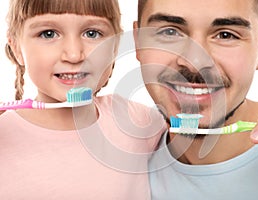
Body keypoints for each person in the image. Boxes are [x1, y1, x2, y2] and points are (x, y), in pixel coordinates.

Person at [134, 0, 258, 199]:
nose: (195, 63)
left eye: (225, 35)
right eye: (169, 32)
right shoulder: (122, 164)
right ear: (137, 43)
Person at [0, 0, 165, 199]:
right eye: (48, 34)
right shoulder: (4, 135)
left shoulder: (140, 122)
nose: (74, 54)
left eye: (92, 33)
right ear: (16, 47)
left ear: (115, 46)